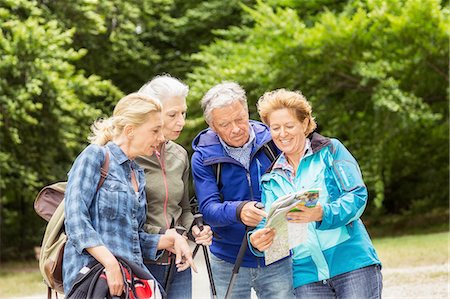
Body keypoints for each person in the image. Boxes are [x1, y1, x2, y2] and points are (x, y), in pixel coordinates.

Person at [250, 88, 382, 299]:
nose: (282, 133)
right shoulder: (269, 179)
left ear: (304, 123)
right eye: (275, 128)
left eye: (289, 125)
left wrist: (322, 213)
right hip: (305, 277)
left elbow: (356, 196)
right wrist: (257, 240)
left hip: (352, 264)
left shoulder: (330, 151)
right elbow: (266, 223)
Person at [62, 93, 197, 296]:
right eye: (155, 130)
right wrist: (110, 263)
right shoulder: (95, 156)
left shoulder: (136, 173)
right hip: (93, 281)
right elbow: (75, 221)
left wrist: (169, 240)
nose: (161, 138)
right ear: (130, 130)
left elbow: (133, 238)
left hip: (127, 281)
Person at [191, 82, 294, 299]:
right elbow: (209, 210)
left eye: (240, 118)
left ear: (247, 111)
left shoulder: (272, 141)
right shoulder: (202, 157)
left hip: (276, 253)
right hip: (227, 258)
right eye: (225, 124)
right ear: (212, 126)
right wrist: (239, 210)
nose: (236, 129)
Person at [136, 75, 212, 298]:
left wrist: (195, 229)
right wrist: (164, 236)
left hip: (178, 262)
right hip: (142, 262)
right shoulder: (131, 156)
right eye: (173, 114)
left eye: (183, 113)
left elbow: (184, 209)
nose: (181, 121)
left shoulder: (179, 154)